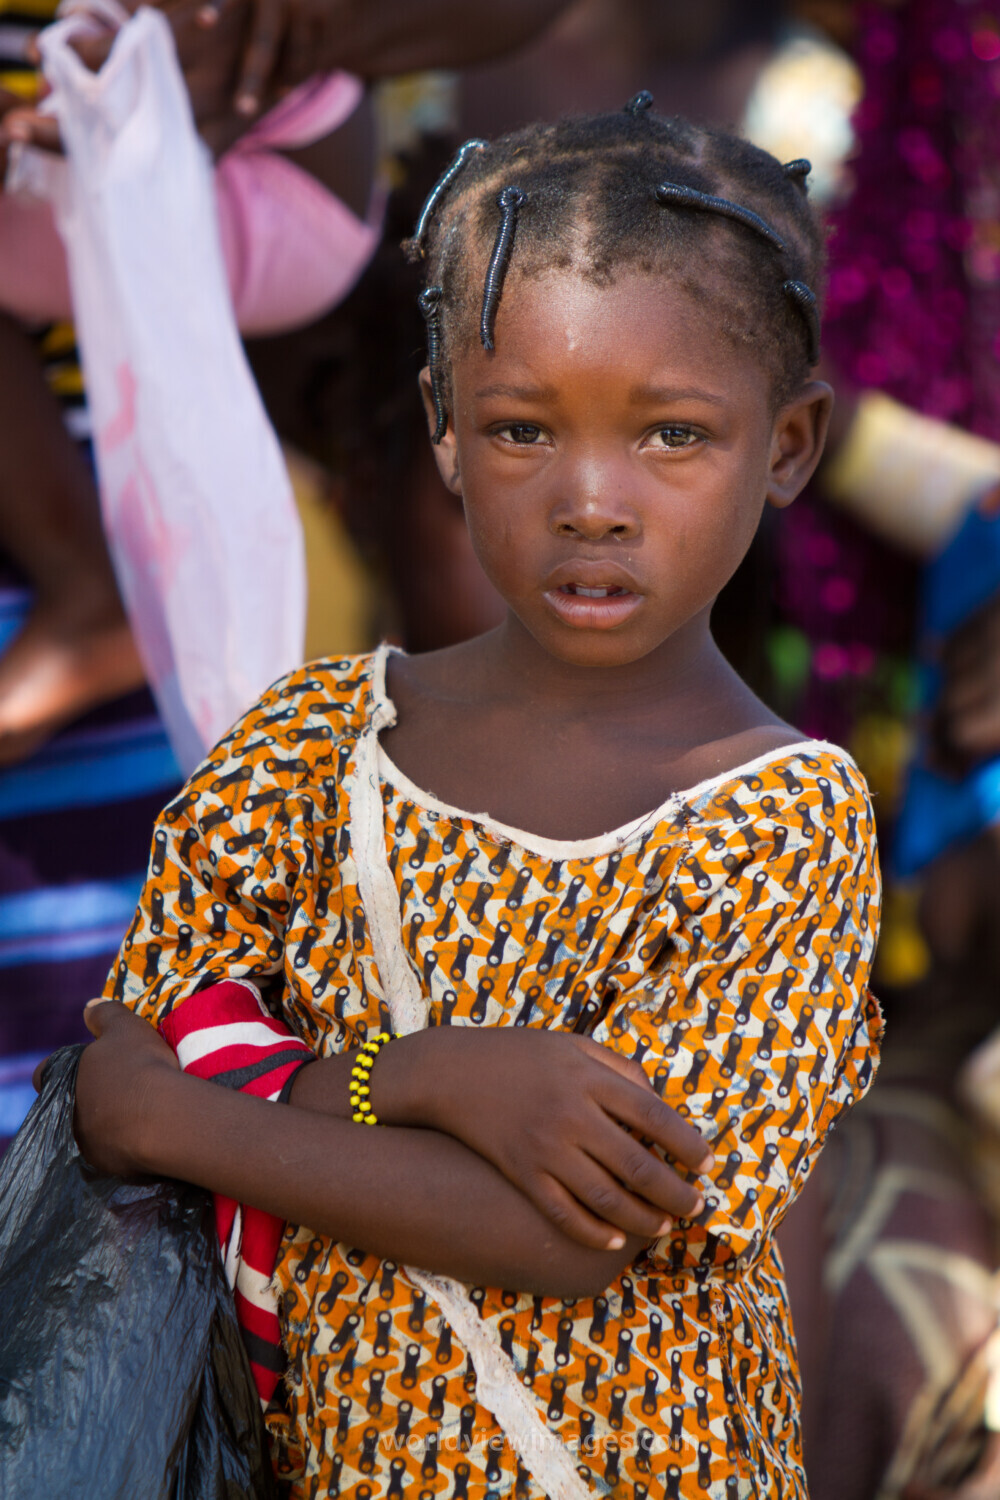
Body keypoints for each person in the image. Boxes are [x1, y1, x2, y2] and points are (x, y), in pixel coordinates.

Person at [71, 102, 883, 1496]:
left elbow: (575, 1235)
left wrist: (200, 1126)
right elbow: (137, 1053)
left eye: (674, 435)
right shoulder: (305, 753)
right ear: (443, 429)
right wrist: (429, 1077)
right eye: (521, 431)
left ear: (790, 446)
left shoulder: (783, 822)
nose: (592, 500)